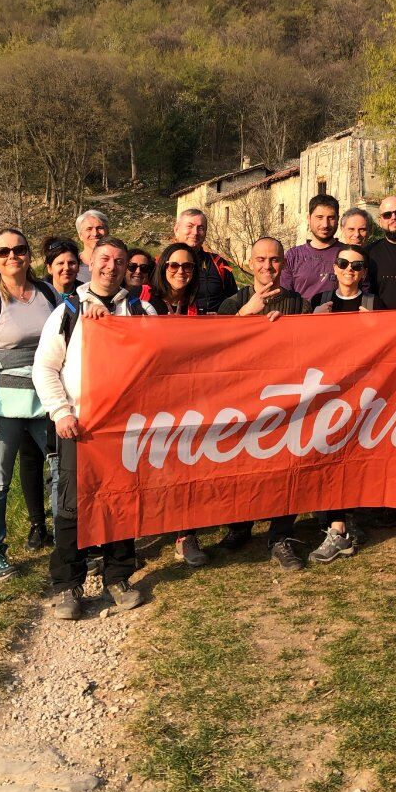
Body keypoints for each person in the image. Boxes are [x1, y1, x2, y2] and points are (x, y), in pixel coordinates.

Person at [33, 238, 147, 619]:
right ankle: (68, 584)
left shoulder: (139, 309)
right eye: (104, 259)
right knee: (70, 506)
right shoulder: (68, 311)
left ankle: (118, 577)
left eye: (119, 261)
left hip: (124, 428)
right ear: (90, 262)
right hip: (80, 427)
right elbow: (45, 367)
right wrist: (61, 412)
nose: (111, 267)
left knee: (122, 501)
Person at [0, 229, 57, 580]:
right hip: (2, 405)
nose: (12, 256)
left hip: (45, 399)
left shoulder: (46, 292)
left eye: (19, 249)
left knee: (61, 469)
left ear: (29, 254)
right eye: (3, 251)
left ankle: (70, 540)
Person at [216, 236, 310, 570]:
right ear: (249, 262)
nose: (267, 266)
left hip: (286, 401)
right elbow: (214, 345)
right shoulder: (232, 303)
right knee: (242, 466)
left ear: (283, 263)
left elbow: (314, 348)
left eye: (273, 260)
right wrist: (247, 313)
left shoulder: (299, 304)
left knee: (286, 469)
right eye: (260, 259)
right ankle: (240, 526)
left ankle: (281, 536)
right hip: (242, 400)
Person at [309, 244, 385, 562]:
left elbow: (389, 345)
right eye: (344, 263)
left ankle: (340, 526)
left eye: (357, 265)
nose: (350, 270)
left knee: (351, 455)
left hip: (363, 391)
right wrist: (312, 320)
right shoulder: (319, 303)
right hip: (326, 391)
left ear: (364, 272)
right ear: (335, 269)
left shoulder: (373, 303)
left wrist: (376, 325)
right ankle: (339, 524)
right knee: (328, 452)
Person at [138, 242, 210, 569]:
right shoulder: (142, 301)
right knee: (148, 466)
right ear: (162, 268)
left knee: (185, 464)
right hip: (147, 396)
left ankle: (185, 534)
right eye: (173, 266)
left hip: (189, 395)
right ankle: (131, 538)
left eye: (188, 266)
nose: (181, 271)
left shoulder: (200, 303)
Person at [172, 208, 237, 313]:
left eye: (201, 228)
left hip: (212, 327)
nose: (195, 232)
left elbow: (234, 302)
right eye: (190, 226)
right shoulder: (161, 264)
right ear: (176, 230)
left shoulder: (219, 263)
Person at [281, 194, 342, 303]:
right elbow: (284, 297)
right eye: (319, 217)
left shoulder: (347, 254)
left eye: (331, 218)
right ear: (309, 218)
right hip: (302, 318)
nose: (325, 224)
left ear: (338, 218)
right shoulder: (293, 256)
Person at [42, 236, 81, 306]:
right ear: (49, 268)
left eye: (71, 263)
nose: (66, 268)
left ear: (78, 266)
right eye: (60, 263)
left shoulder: (86, 295)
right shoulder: (40, 294)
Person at [75, 209, 110, 285]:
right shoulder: (72, 265)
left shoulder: (117, 264)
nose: (95, 233)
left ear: (107, 231)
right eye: (89, 229)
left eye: (99, 228)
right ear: (80, 235)